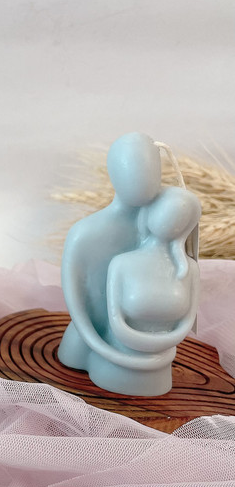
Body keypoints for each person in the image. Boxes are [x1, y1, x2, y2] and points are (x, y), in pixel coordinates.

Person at [58, 132, 180, 395]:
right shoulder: (85, 233)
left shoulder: (164, 228)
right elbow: (75, 300)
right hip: (90, 338)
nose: (141, 178)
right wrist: (99, 346)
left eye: (148, 168)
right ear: (114, 173)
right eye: (131, 167)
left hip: (145, 344)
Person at [105, 186, 201, 391]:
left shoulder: (190, 270)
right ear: (150, 211)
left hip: (163, 361)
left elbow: (187, 322)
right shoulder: (121, 263)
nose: (171, 219)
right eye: (165, 210)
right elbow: (116, 321)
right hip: (122, 352)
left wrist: (162, 344)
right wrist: (145, 344)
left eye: (180, 216)